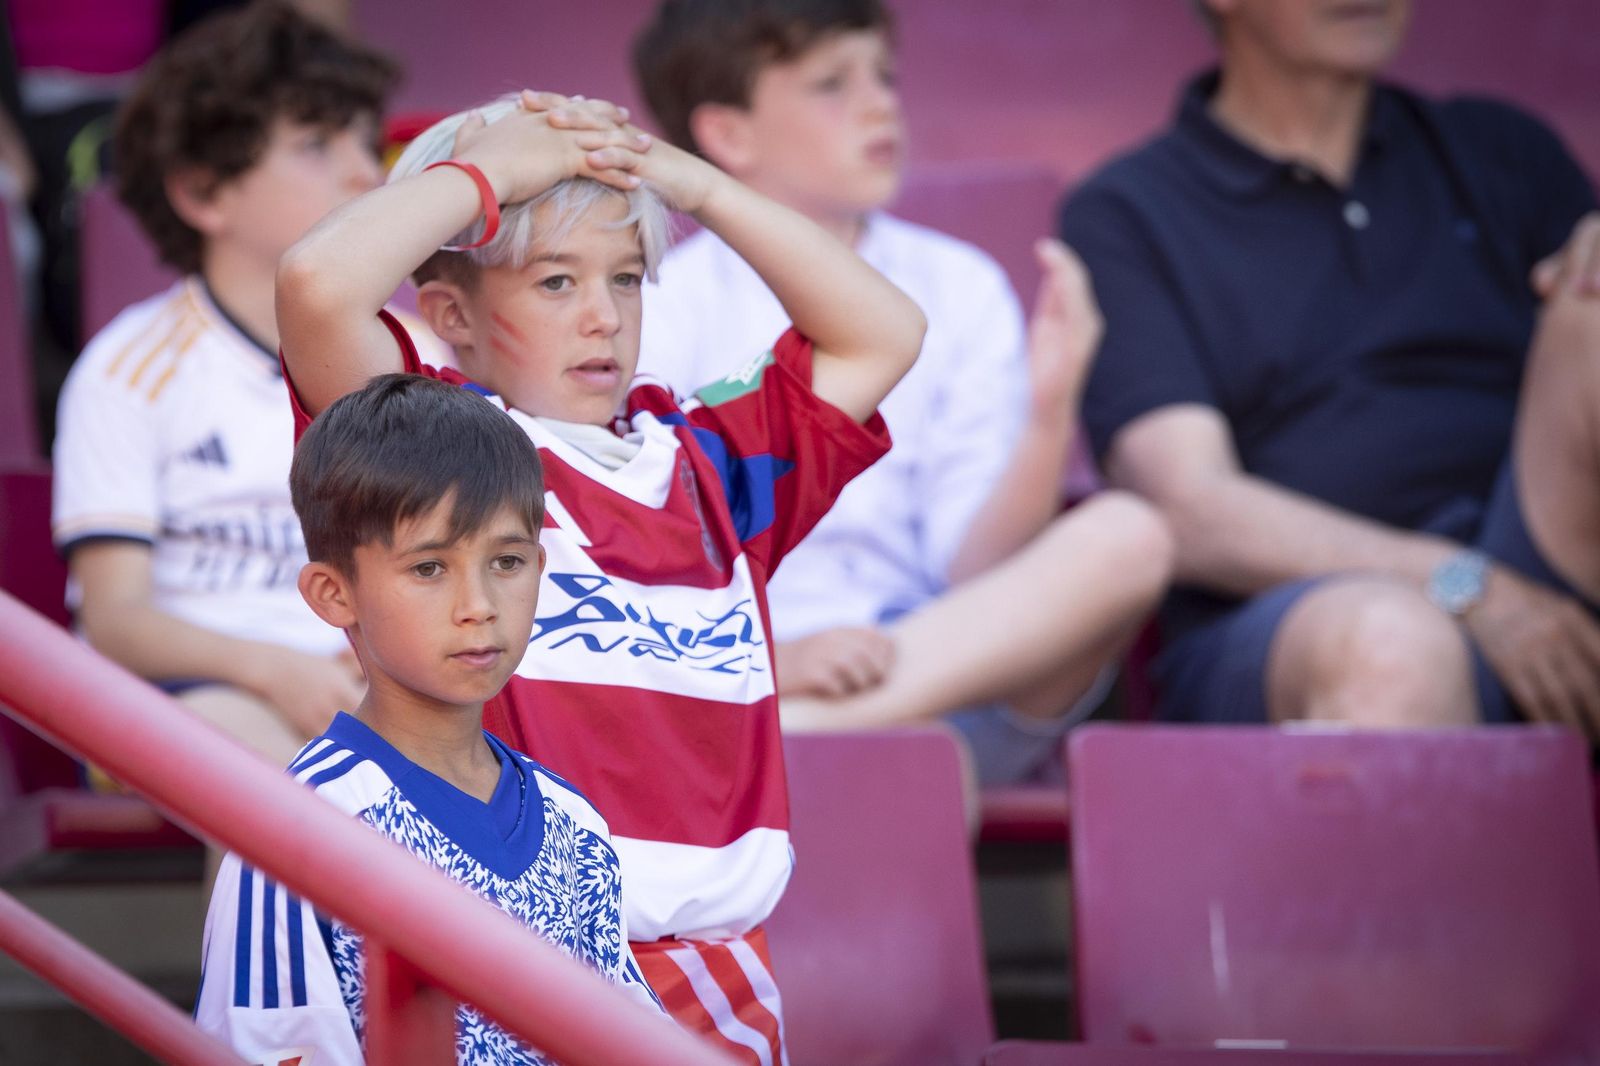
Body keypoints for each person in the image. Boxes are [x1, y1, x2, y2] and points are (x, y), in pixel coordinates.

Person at [274, 89, 925, 1061]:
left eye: (625, 280)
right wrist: (492, 173)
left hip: (716, 982)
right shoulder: (443, 453)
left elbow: (881, 331)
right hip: (505, 962)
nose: (601, 318)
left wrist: (685, 180)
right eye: (554, 284)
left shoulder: (712, 467)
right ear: (450, 315)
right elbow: (319, 282)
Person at [629, 0, 1173, 786]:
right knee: (928, 773)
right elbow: (640, 547)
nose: (880, 102)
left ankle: (808, 733)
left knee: (1130, 534)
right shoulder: (662, 302)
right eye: (831, 84)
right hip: (732, 675)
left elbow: (974, 576)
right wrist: (777, 658)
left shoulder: (960, 284)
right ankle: (806, 724)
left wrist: (1049, 418)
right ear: (727, 135)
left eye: (883, 76)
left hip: (940, 671)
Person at [1059, 0, 1600, 733]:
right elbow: (1189, 510)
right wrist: (1465, 587)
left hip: (1549, 549)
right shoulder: (1129, 210)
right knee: (1391, 645)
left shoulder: (1504, 151)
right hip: (1298, 613)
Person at [195, 374, 664, 1065]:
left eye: (506, 562)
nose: (478, 603)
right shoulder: (297, 835)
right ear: (333, 593)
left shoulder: (574, 822)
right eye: (428, 569)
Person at [50, 4, 424, 778]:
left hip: (380, 680)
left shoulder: (422, 353)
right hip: (196, 689)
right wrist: (269, 669)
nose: (364, 169)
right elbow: (116, 618)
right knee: (266, 774)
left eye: (364, 138)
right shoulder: (128, 367)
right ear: (202, 192)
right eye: (317, 145)